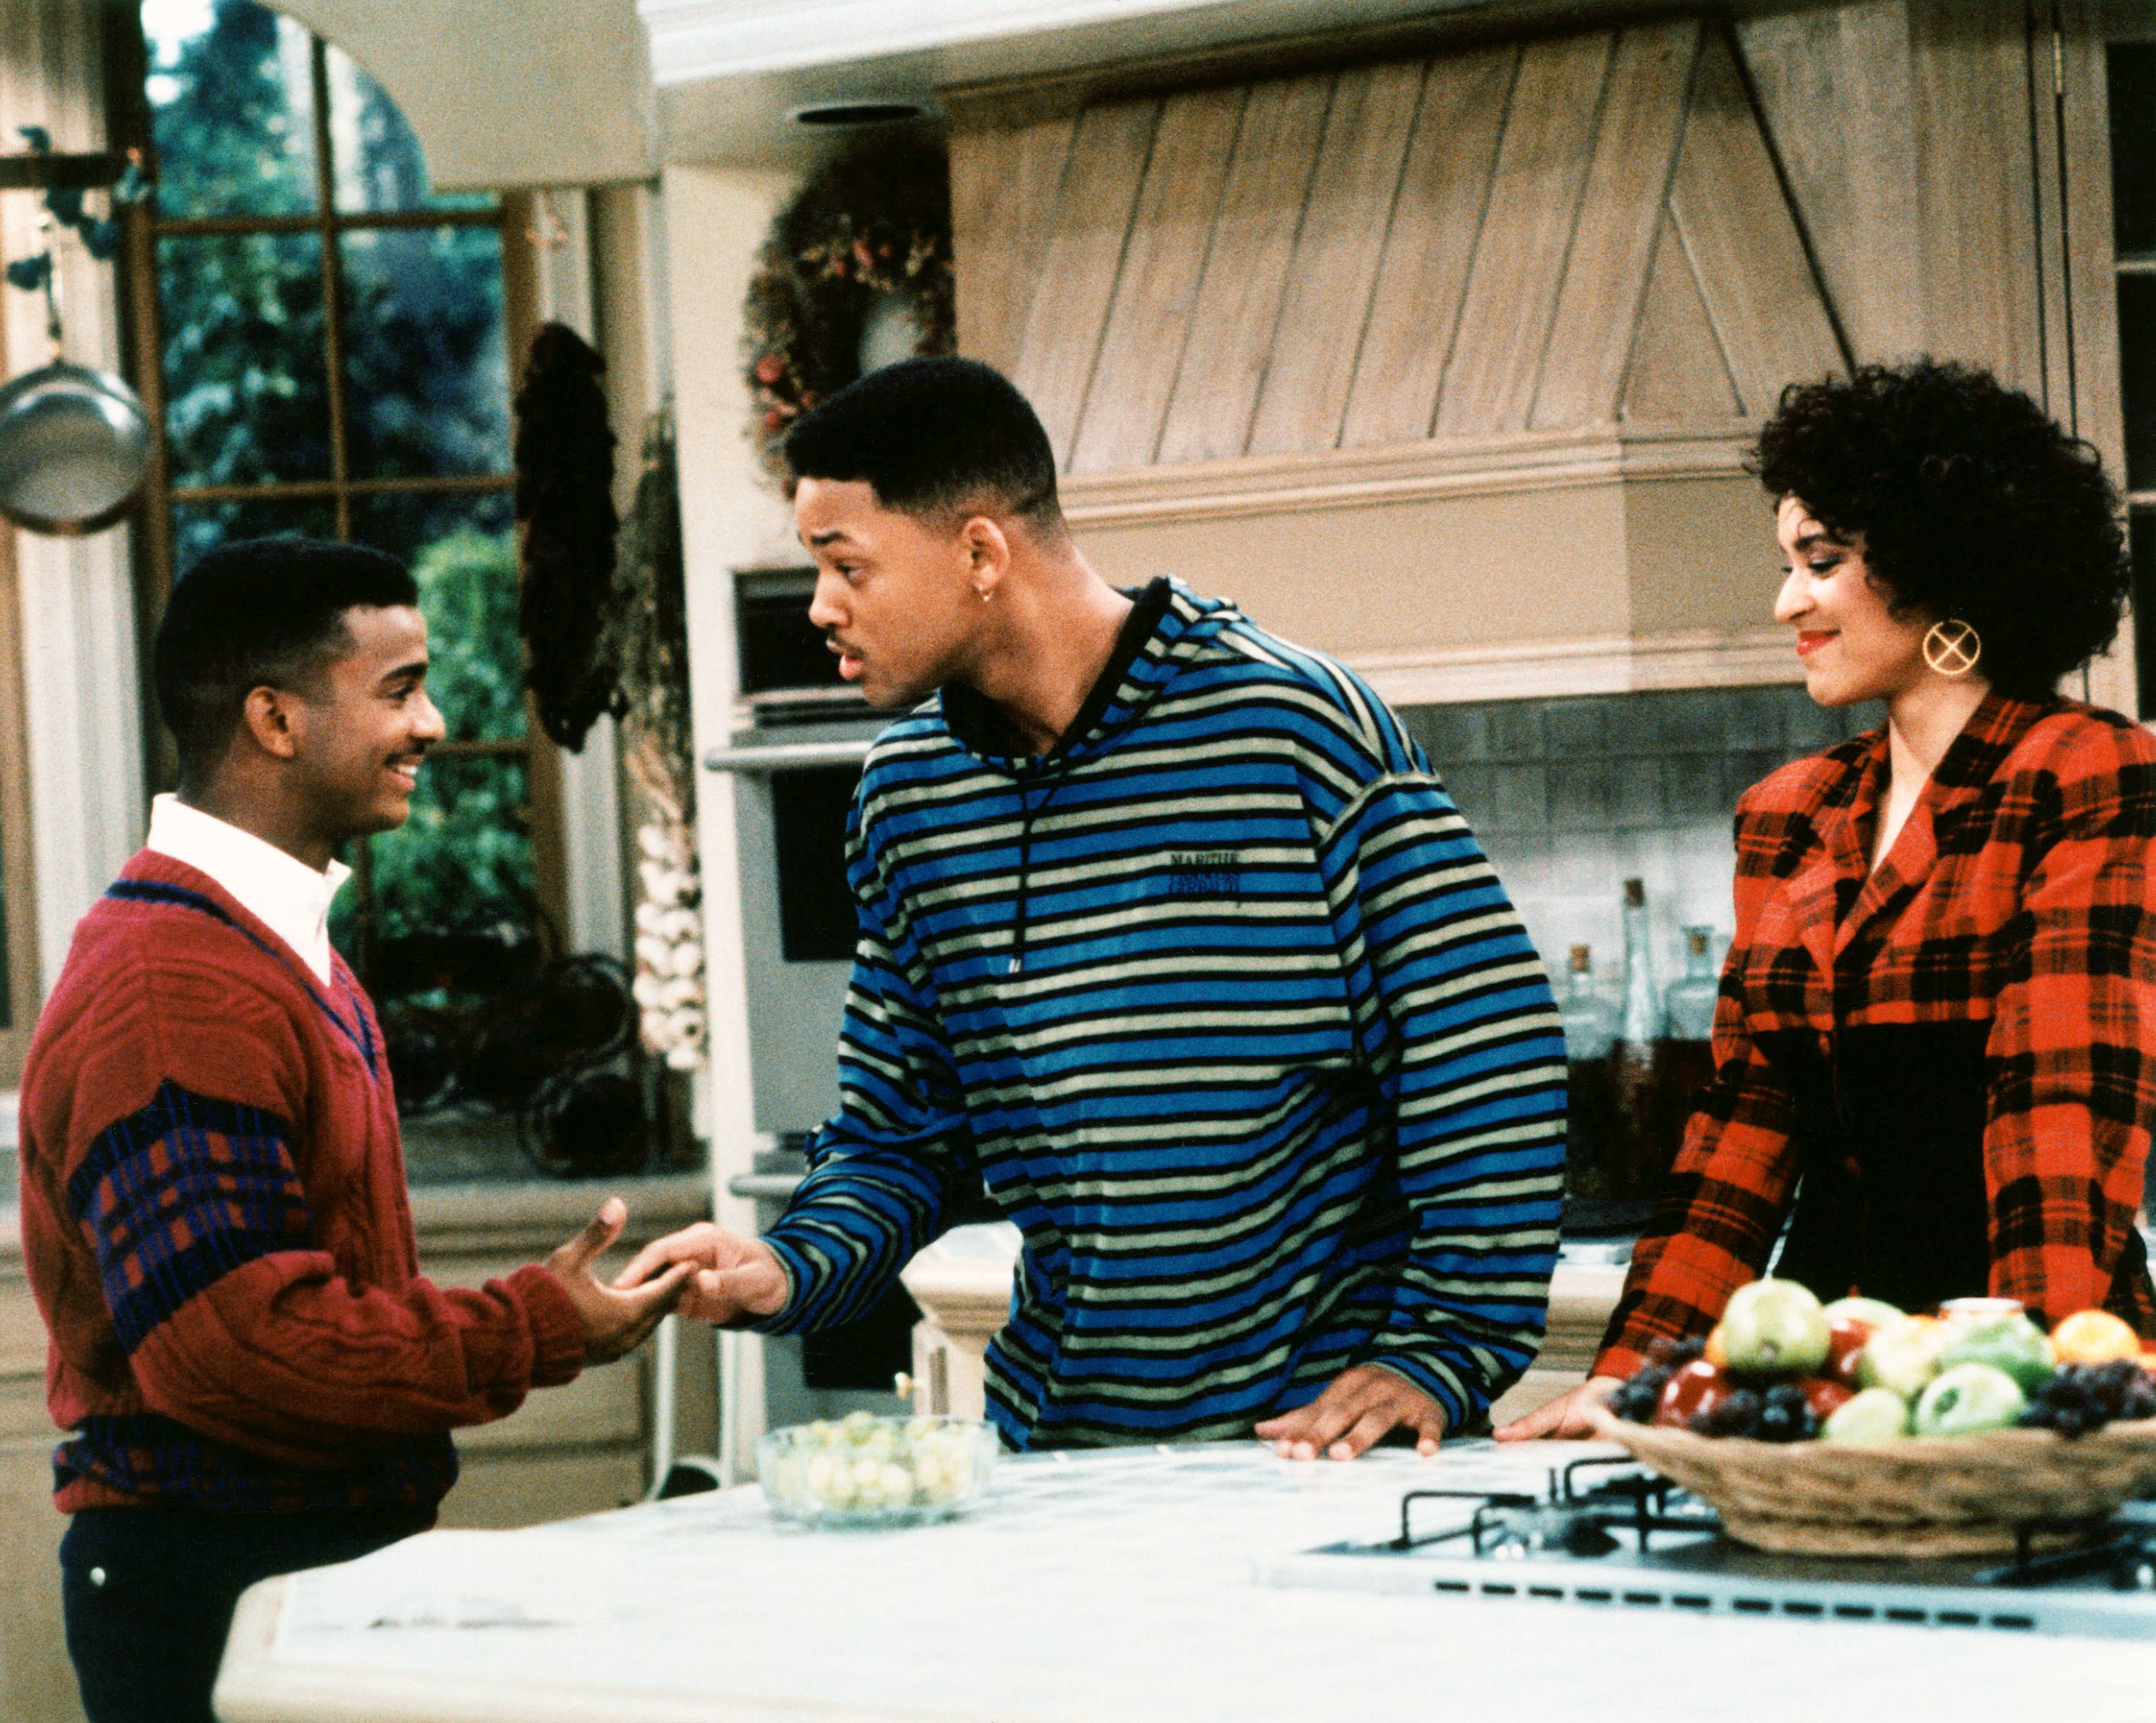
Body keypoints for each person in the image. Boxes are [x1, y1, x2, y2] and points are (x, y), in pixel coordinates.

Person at [619, 357, 1568, 1459]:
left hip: (1312, 1457)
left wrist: (1442, 1350)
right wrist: (787, 1264)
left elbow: (1487, 1048)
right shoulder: (908, 798)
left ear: (981, 552)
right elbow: (901, 1136)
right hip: (1061, 1461)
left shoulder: (1294, 726)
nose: (820, 606)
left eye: (846, 565)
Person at [17, 538, 694, 1723]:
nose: (432, 724)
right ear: (274, 720)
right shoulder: (175, 984)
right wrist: (536, 1322)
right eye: (399, 688)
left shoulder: (266, 947)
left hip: (282, 1566)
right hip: (215, 1584)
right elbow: (240, 1344)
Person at [1501, 359, 2155, 1441]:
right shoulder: (1792, 812)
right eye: (1789, 562)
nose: (1785, 601)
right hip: (1819, 1360)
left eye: (1823, 561)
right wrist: (1629, 1370)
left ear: (1937, 564)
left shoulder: (2084, 773)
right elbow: (1740, 1127)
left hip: (2023, 1348)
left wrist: (2028, 1388)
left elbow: (2063, 1114)